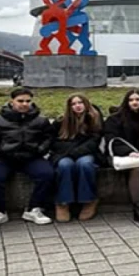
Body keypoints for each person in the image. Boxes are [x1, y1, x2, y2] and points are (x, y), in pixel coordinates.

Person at [0, 87, 55, 229]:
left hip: (31, 157)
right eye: (20, 101)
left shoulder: (41, 120)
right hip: (3, 158)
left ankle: (34, 208)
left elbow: (48, 138)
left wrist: (40, 150)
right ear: (11, 102)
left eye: (28, 101)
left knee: (47, 174)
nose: (24, 104)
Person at [104, 89, 139, 225]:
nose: (135, 102)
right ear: (126, 102)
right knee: (136, 169)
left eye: (138, 100)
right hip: (121, 156)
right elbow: (111, 140)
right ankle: (138, 209)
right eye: (131, 100)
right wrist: (128, 152)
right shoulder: (114, 119)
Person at [51, 93, 104, 222]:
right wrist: (69, 151)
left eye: (80, 102)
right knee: (65, 165)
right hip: (64, 155)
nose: (77, 106)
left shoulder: (94, 119)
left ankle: (88, 201)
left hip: (87, 154)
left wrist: (75, 152)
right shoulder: (60, 122)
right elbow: (53, 142)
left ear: (86, 104)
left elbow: (94, 142)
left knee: (84, 164)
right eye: (73, 104)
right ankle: (63, 202)